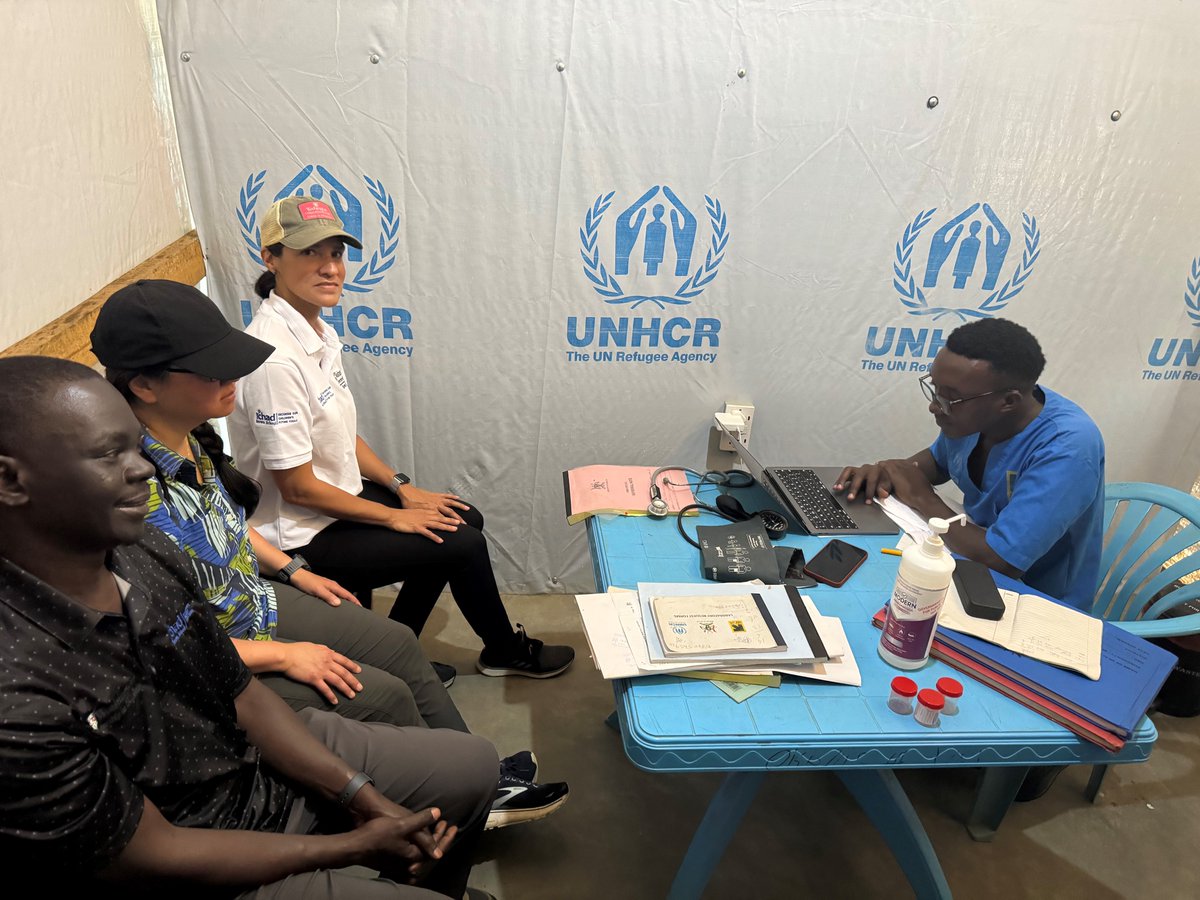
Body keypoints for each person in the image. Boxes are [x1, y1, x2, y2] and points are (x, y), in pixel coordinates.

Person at [0, 356, 497, 898]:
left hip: (243, 766)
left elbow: (240, 692)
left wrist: (363, 799)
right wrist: (353, 846)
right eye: (107, 455)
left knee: (471, 765)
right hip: (185, 854)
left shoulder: (142, 551)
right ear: (9, 479)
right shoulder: (16, 687)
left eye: (134, 446)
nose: (142, 468)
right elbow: (153, 855)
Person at [88, 279, 567, 830]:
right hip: (224, 648)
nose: (233, 380)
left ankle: (480, 784)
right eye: (213, 372)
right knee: (382, 695)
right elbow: (159, 644)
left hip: (257, 598)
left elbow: (224, 530)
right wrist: (285, 657)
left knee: (398, 642)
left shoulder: (189, 438)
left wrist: (293, 571)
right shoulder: (127, 497)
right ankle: (443, 807)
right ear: (145, 384)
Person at [227, 196, 574, 679]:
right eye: (310, 253)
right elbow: (297, 488)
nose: (330, 268)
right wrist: (393, 518)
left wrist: (401, 486)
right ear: (271, 258)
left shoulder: (318, 333)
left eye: (337, 253)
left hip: (332, 505)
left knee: (458, 516)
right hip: (300, 533)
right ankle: (501, 652)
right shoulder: (275, 357)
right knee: (461, 543)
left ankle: (395, 653)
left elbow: (342, 436)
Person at [835, 317, 1105, 611]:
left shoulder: (1069, 448)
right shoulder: (976, 413)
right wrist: (886, 474)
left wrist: (922, 498)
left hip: (1034, 605)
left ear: (1009, 402)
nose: (934, 406)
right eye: (935, 389)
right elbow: (938, 464)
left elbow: (1002, 561)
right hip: (968, 565)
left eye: (950, 398)